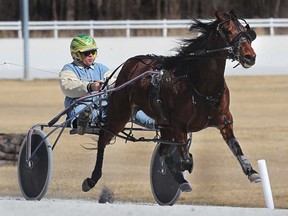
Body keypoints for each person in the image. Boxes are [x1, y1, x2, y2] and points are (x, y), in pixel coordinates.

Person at [59, 34, 155, 135]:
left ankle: (156, 123)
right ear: (76, 54)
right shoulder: (69, 69)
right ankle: (80, 122)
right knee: (81, 110)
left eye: (93, 52)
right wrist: (90, 86)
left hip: (104, 108)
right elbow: (68, 87)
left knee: (127, 109)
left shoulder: (101, 68)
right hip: (81, 105)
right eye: (87, 53)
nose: (91, 55)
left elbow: (114, 82)